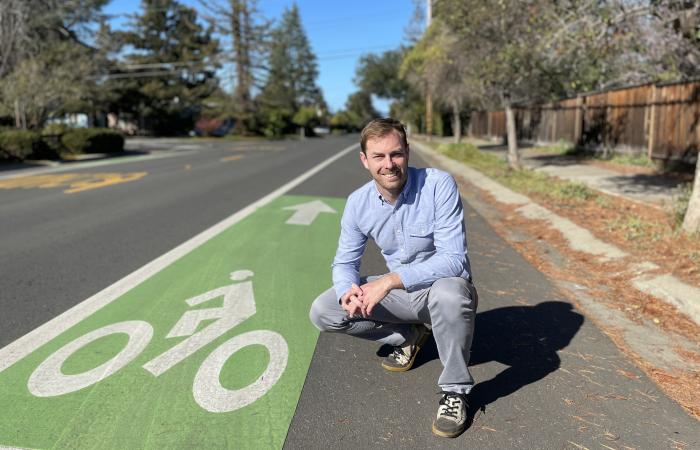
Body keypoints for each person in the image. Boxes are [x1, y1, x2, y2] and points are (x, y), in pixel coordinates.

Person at [309, 118, 478, 438]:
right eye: (379, 156)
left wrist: (387, 281)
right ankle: (409, 336)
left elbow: (455, 260)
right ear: (364, 160)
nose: (389, 164)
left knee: (450, 295)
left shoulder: (438, 184)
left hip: (439, 289)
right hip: (401, 296)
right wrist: (348, 291)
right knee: (324, 310)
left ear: (408, 153)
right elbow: (344, 262)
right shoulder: (358, 203)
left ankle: (455, 390)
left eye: (396, 154)